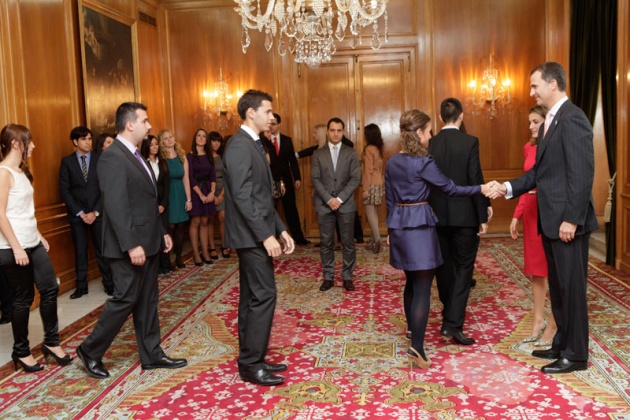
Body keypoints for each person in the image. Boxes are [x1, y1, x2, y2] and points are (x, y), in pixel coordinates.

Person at [488, 62, 598, 374]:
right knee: (560, 288)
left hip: (566, 224)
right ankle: (562, 343)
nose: (531, 91)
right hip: (552, 222)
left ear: (552, 84)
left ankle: (576, 354)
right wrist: (507, 186)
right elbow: (539, 172)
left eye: (535, 86)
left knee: (571, 289)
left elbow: (582, 172)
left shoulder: (573, 117)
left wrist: (572, 219)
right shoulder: (553, 120)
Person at [76, 102, 187, 379]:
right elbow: (116, 205)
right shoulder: (113, 157)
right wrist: (131, 244)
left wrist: (161, 233)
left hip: (147, 239)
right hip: (128, 245)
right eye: (145, 121)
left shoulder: (136, 156)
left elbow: (145, 201)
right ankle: (90, 350)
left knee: (148, 298)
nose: (149, 126)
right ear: (130, 124)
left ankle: (151, 353)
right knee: (125, 299)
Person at [386, 110, 489, 369]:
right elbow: (451, 189)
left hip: (400, 225)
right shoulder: (424, 162)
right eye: (429, 131)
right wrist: (481, 188)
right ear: (419, 133)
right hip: (420, 225)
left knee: (410, 281)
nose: (431, 135)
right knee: (422, 287)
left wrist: (390, 229)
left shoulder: (393, 162)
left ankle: (412, 330)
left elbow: (389, 198)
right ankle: (417, 349)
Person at [223, 89, 295, 386]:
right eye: (267, 111)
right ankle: (251, 364)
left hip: (257, 232)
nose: (272, 117)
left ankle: (253, 357)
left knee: (252, 297)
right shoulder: (240, 146)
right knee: (264, 295)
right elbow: (241, 197)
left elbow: (263, 196)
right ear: (251, 113)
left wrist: (281, 228)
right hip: (250, 236)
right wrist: (266, 235)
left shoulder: (253, 143)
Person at [0, 123, 72, 372]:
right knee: (23, 299)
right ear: (15, 143)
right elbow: (0, 214)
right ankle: (20, 352)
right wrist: (17, 247)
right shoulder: (3, 173)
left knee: (50, 287)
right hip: (12, 247)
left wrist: (38, 234)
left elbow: (21, 212)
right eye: (29, 141)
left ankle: (51, 343)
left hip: (32, 241)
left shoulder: (21, 172)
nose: (33, 146)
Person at [428, 97, 491, 346]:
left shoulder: (430, 143)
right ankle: (453, 323)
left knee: (443, 267)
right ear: (461, 116)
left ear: (441, 117)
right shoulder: (470, 142)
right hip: (465, 217)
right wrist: (482, 213)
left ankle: (449, 312)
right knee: (464, 268)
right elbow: (474, 178)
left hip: (436, 216)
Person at [510, 106, 558, 346]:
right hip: (530, 208)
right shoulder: (528, 147)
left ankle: (555, 321)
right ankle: (538, 319)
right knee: (536, 270)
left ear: (547, 121)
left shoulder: (553, 146)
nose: (530, 126)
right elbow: (525, 182)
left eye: (535, 121)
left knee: (553, 269)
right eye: (529, 121)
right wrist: (516, 216)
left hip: (548, 209)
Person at [59, 126, 113, 299]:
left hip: (97, 213)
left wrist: (95, 211)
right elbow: (64, 190)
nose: (88, 142)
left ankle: (109, 284)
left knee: (102, 250)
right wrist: (81, 213)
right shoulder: (67, 162)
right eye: (84, 139)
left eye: (90, 139)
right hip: (78, 216)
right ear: (75, 141)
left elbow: (106, 188)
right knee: (80, 250)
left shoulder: (100, 160)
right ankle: (81, 287)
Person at [312, 117, 361, 292]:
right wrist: (328, 199)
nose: (335, 133)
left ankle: (347, 276)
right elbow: (315, 179)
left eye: (339, 130)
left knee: (347, 242)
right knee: (326, 242)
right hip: (324, 204)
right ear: (327, 131)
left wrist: (339, 199)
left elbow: (356, 178)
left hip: (345, 204)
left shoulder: (351, 153)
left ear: (343, 131)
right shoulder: (318, 154)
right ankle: (328, 277)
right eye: (332, 130)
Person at [269, 113, 310, 245]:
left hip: (286, 179)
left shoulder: (287, 140)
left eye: (273, 124)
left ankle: (298, 237)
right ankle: (271, 238)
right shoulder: (263, 140)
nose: (271, 126)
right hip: (270, 180)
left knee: (291, 208)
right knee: (270, 209)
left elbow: (292, 160)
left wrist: (297, 177)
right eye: (269, 123)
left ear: (279, 125)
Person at [159, 129, 192, 269]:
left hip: (180, 192)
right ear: (162, 142)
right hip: (168, 193)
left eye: (171, 137)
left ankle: (178, 257)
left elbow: (186, 179)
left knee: (180, 226)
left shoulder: (182, 156)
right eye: (165, 138)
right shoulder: (161, 158)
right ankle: (167, 259)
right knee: (169, 226)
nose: (169, 140)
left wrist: (188, 200)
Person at [141, 135, 171, 275]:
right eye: (151, 144)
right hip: (149, 206)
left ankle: (166, 265)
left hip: (163, 205)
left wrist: (163, 205)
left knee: (164, 234)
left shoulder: (163, 162)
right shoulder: (142, 163)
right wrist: (154, 206)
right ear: (146, 146)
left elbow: (167, 185)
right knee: (153, 235)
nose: (155, 147)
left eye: (156, 144)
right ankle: (157, 267)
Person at [187, 128, 217, 266]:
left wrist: (212, 193)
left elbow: (213, 176)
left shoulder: (209, 156)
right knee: (196, 222)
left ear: (206, 140)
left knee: (205, 221)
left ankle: (205, 252)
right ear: (195, 138)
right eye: (198, 135)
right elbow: (190, 177)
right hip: (195, 191)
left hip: (207, 190)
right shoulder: (190, 156)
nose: (201, 138)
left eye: (203, 136)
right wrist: (200, 195)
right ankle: (195, 253)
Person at [361, 123, 385, 254]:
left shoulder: (369, 149)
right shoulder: (378, 148)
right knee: (374, 213)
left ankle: (378, 242)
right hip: (378, 183)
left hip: (370, 184)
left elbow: (368, 171)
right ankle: (372, 242)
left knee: (370, 214)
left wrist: (365, 189)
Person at [207, 131, 229, 258]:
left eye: (218, 141)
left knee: (223, 218)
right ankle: (212, 247)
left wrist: (221, 195)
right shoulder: (206, 156)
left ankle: (224, 245)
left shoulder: (223, 155)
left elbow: (228, 175)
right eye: (214, 140)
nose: (216, 143)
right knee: (210, 219)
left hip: (222, 187)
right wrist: (213, 195)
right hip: (209, 188)